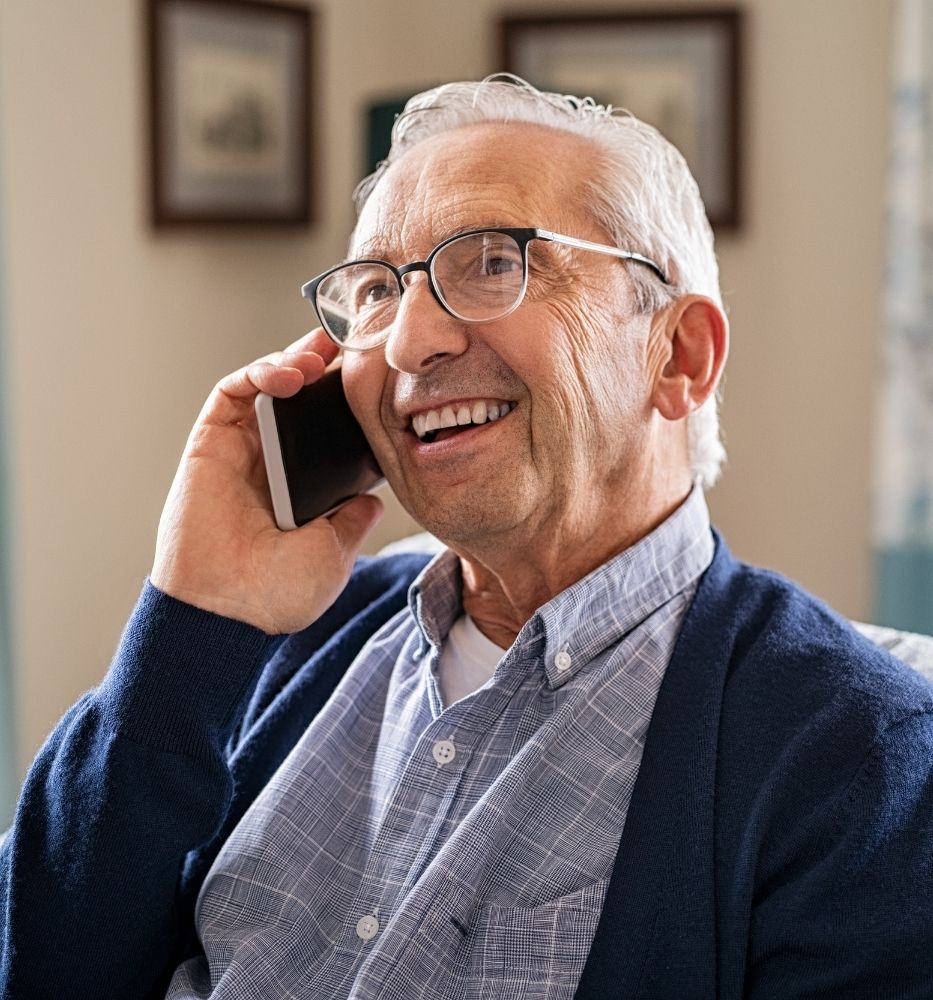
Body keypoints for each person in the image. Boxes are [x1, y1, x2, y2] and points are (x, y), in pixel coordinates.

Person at [2, 76, 932, 1000]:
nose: (409, 342)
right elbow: (42, 963)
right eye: (375, 290)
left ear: (678, 356)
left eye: (492, 262)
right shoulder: (277, 638)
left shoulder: (858, 758)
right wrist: (197, 616)